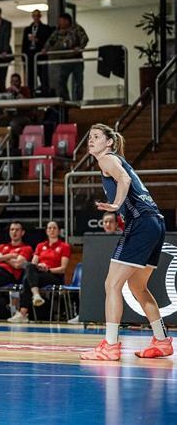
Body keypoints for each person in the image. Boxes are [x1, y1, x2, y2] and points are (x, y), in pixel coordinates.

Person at [80, 124, 172, 360]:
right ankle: (161, 341)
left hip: (141, 223)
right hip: (156, 222)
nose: (91, 140)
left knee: (112, 285)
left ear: (109, 142)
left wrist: (115, 205)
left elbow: (123, 180)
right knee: (138, 287)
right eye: (89, 137)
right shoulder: (116, 159)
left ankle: (110, 346)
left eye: (97, 137)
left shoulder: (107, 159)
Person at [8, 220, 70, 323]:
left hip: (53, 275)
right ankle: (35, 297)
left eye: (54, 228)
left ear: (59, 231)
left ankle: (23, 312)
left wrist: (48, 269)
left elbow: (63, 268)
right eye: (49, 228)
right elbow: (33, 264)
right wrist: (39, 266)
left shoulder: (64, 246)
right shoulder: (40, 245)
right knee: (29, 267)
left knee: (27, 279)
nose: (52, 230)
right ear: (46, 231)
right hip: (39, 275)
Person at [40, 13, 89, 101]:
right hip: (64, 60)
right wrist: (45, 49)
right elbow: (50, 41)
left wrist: (80, 47)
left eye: (61, 21)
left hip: (76, 58)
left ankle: (78, 101)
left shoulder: (76, 29)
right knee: (61, 81)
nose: (59, 23)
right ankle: (66, 100)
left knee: (78, 82)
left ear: (67, 21)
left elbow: (84, 39)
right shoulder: (57, 31)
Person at [21, 10, 52, 94]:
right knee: (30, 76)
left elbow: (48, 42)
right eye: (34, 16)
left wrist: (37, 40)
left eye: (37, 16)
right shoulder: (27, 29)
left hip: (40, 55)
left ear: (40, 16)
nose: (35, 18)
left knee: (43, 76)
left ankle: (45, 93)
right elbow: (24, 43)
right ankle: (31, 93)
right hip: (30, 55)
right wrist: (23, 58)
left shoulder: (45, 28)